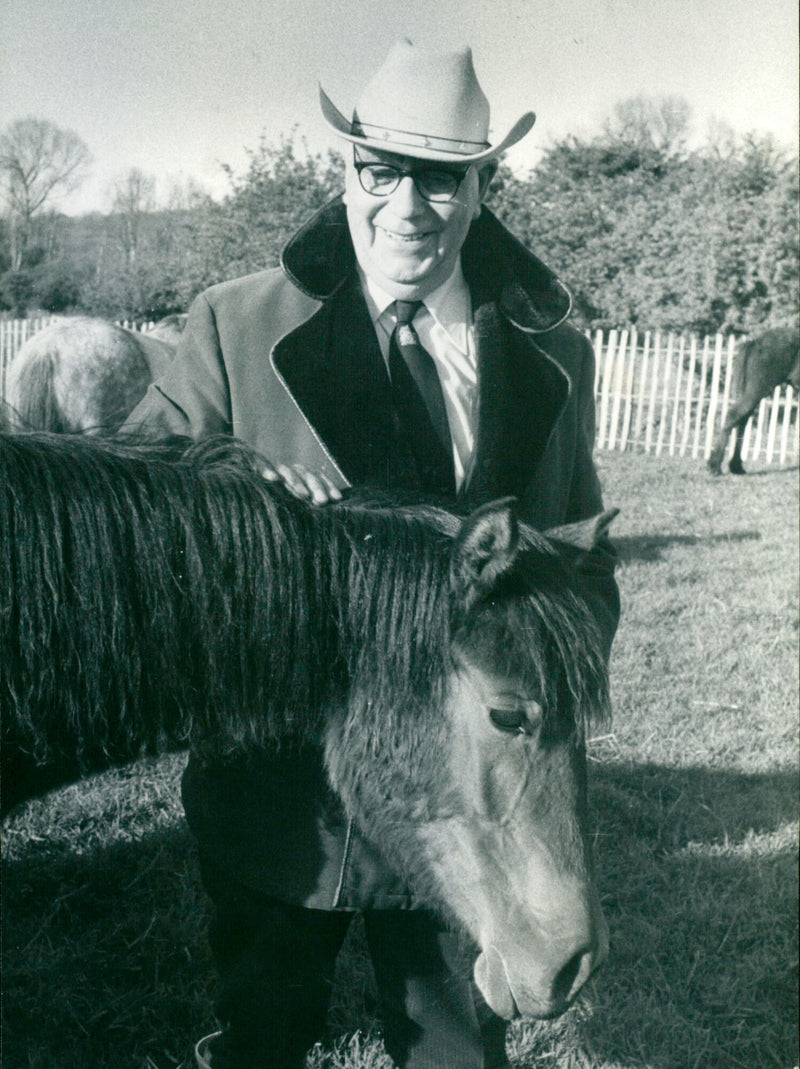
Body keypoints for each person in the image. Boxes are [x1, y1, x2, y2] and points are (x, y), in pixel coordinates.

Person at [124, 38, 620, 1069]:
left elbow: (582, 580)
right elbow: (133, 507)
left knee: (453, 1055)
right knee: (262, 1032)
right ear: (345, 170)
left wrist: (526, 615)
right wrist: (232, 504)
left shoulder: (551, 358)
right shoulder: (233, 324)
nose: (406, 208)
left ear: (481, 188)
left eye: (439, 179)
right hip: (279, 800)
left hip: (461, 827)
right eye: (379, 171)